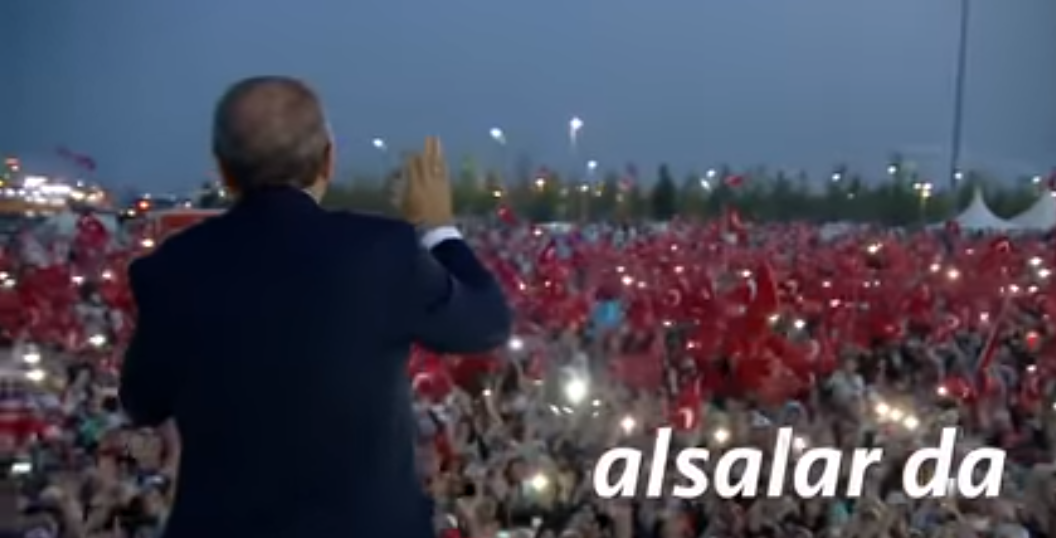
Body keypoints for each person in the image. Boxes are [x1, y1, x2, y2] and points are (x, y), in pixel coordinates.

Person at [119, 76, 512, 538]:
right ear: (328, 159)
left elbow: (142, 401)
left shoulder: (173, 268)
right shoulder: (382, 252)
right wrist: (438, 227)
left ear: (223, 170)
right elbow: (486, 322)